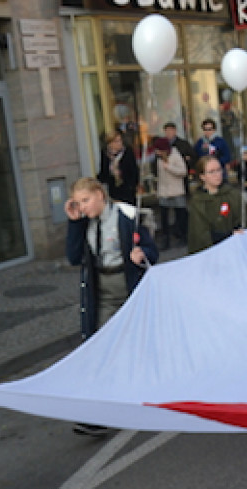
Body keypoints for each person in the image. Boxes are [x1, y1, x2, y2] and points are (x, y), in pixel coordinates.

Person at [64, 177, 159, 435]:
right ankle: (97, 415)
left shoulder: (126, 217)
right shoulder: (84, 224)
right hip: (102, 290)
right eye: (78, 202)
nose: (82, 207)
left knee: (140, 346)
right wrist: (74, 223)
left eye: (86, 200)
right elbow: (73, 257)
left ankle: (151, 395)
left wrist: (143, 254)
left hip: (127, 285)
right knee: (102, 349)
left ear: (100, 195)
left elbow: (152, 250)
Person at [187, 156, 247, 254]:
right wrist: (228, 235)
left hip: (237, 250)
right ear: (202, 176)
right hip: (213, 253)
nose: (217, 174)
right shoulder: (198, 201)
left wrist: (240, 231)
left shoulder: (232, 194)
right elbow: (200, 235)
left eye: (219, 170)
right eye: (212, 171)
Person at [151, 136, 188, 249]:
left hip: (176, 191)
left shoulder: (175, 156)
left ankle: (183, 237)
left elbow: (183, 171)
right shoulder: (158, 159)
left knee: (180, 215)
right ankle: (166, 240)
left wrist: (170, 167)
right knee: (164, 218)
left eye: (158, 150)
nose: (156, 152)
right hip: (164, 191)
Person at [96, 129, 140, 205]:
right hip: (114, 189)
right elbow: (104, 170)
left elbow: (134, 170)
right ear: (110, 143)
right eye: (116, 141)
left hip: (127, 188)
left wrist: (133, 185)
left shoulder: (127, 151)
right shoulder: (105, 153)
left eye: (120, 140)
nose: (120, 143)